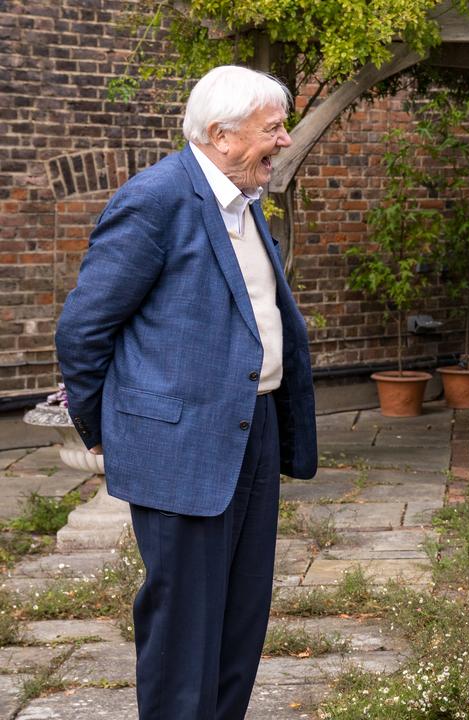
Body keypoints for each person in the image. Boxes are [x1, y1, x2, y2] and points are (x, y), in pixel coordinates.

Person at [54, 65, 317, 719]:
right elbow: (83, 331)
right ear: (223, 135)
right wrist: (111, 434)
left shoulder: (242, 200)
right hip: (179, 446)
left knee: (240, 615)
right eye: (273, 128)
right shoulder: (158, 199)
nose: (284, 141)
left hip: (252, 431)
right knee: (183, 630)